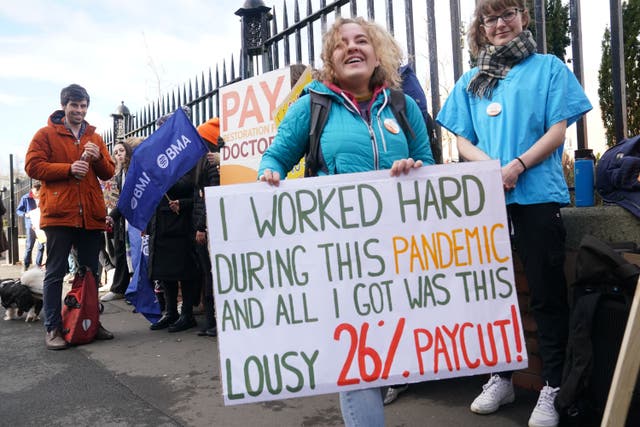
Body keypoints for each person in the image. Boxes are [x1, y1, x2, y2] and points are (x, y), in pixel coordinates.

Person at [258, 17, 434, 427]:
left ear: (377, 54)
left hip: (397, 250)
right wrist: (270, 176)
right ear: (330, 60)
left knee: (390, 347)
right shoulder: (312, 106)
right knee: (360, 359)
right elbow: (275, 157)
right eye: (341, 45)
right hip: (339, 256)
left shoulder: (403, 106)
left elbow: (430, 167)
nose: (352, 48)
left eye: (361, 41)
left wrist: (414, 167)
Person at [435, 2, 592, 426]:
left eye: (507, 14)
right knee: (493, 293)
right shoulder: (473, 78)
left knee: (545, 292)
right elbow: (461, 138)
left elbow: (558, 129)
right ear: (481, 28)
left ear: (523, 17)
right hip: (488, 202)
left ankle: (553, 385)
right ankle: (501, 376)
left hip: (536, 196)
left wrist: (517, 166)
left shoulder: (549, 68)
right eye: (490, 18)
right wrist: (489, 168)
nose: (500, 24)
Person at [25, 83, 116, 350]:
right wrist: (67, 169)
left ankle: (91, 322)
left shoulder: (94, 137)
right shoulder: (45, 134)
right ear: (64, 106)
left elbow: (108, 172)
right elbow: (32, 165)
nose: (79, 110)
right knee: (55, 272)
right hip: (59, 215)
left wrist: (98, 158)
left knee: (90, 273)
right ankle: (52, 328)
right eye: (74, 105)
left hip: (89, 215)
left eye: (83, 105)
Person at [147, 108, 200, 333]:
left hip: (181, 220)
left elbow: (195, 188)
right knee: (164, 270)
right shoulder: (159, 158)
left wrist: (177, 194)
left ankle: (187, 313)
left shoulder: (190, 154)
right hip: (161, 220)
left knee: (185, 270)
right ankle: (170, 311)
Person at [193, 117, 222, 337]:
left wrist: (201, 226)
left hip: (209, 227)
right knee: (207, 275)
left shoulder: (211, 165)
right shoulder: (205, 163)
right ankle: (211, 321)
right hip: (204, 225)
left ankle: (215, 321)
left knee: (211, 275)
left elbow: (208, 198)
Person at [102, 139, 135, 302]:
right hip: (122, 220)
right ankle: (120, 288)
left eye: (121, 151)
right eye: (115, 152)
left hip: (134, 220)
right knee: (121, 253)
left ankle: (133, 290)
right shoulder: (118, 173)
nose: (118, 154)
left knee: (134, 256)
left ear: (128, 151)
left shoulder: (134, 170)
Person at [16, 182, 46, 271]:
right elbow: (19, 210)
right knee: (29, 246)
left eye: (38, 193)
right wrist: (25, 214)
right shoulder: (25, 197)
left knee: (41, 245)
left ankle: (38, 265)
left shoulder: (44, 196)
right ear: (32, 190)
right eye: (35, 193)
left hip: (41, 224)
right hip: (30, 224)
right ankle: (26, 265)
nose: (37, 195)